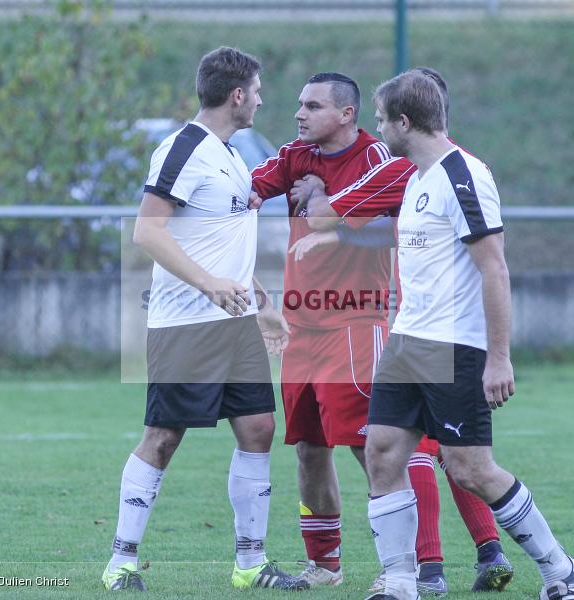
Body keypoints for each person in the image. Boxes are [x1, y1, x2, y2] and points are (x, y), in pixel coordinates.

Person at [251, 72, 508, 596]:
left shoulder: (385, 162)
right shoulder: (293, 155)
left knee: (393, 448)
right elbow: (248, 190)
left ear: (346, 115)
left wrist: (331, 208)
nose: (298, 114)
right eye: (299, 104)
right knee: (310, 447)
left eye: (312, 105)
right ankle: (326, 564)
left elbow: (392, 230)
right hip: (304, 325)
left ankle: (426, 566)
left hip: (361, 325)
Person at [360, 71, 574, 600]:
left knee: (470, 469)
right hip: (407, 343)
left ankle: (560, 570)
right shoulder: (416, 177)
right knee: (382, 452)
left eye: (379, 120)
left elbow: (495, 269)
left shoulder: (463, 174)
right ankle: (400, 581)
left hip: (455, 346)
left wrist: (499, 358)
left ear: (403, 121)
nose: (377, 130)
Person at [101, 46, 307, 592]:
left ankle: (250, 564)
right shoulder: (183, 149)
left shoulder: (232, 155)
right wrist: (209, 285)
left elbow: (226, 247)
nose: (262, 100)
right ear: (237, 95)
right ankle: (121, 562)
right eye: (257, 91)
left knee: (259, 429)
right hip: (186, 325)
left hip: (235, 324)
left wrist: (262, 306)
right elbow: (147, 231)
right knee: (163, 437)